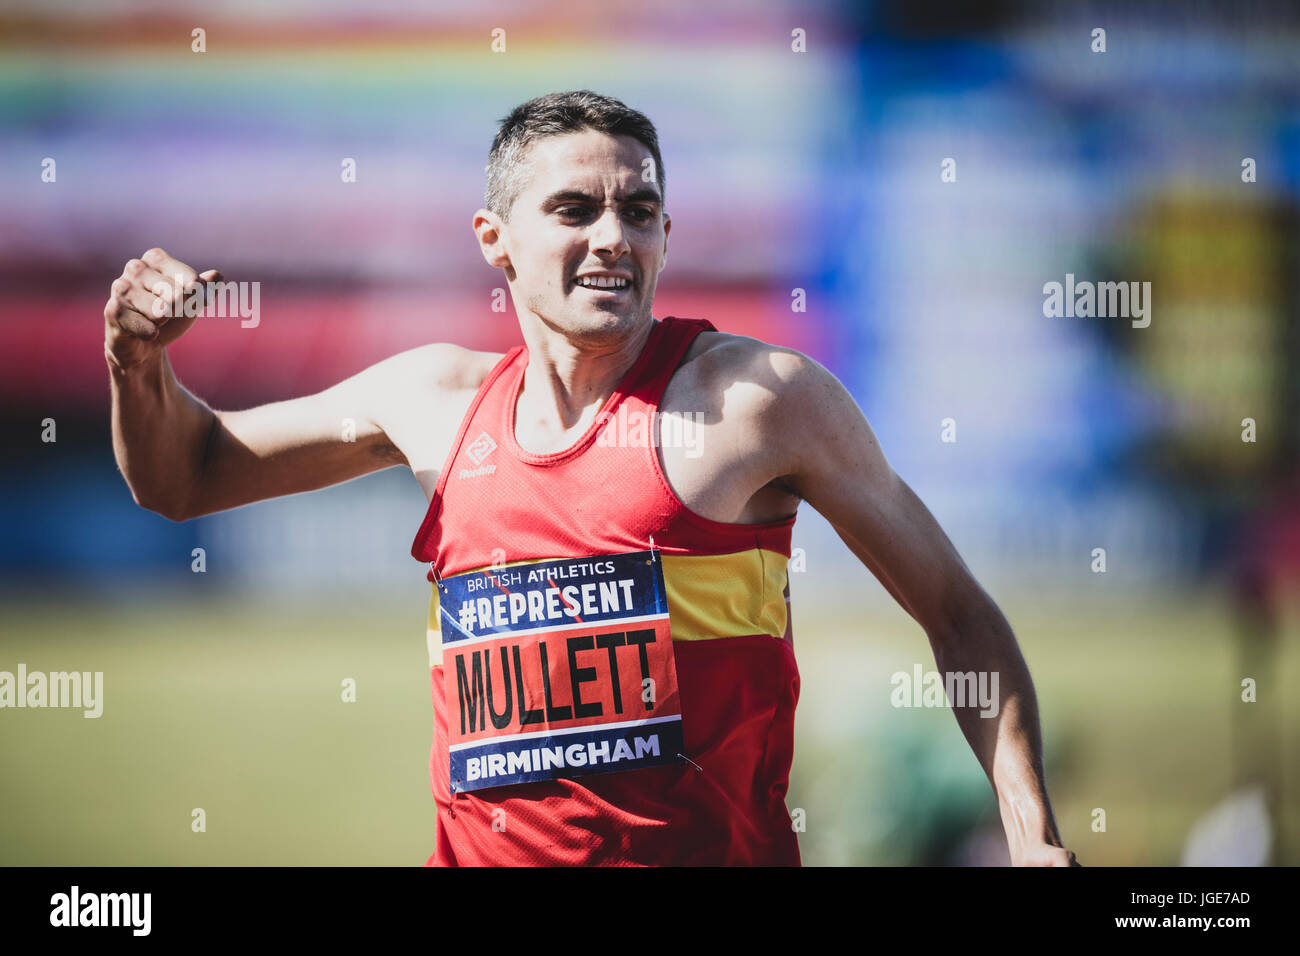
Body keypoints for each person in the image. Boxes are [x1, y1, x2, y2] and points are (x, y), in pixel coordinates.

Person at [104, 89, 1076, 867]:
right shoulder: (433, 399)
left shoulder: (757, 399)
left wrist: (1029, 832)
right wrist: (136, 363)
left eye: (638, 210)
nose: (614, 235)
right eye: (574, 208)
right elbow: (183, 474)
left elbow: (956, 610)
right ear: (495, 237)